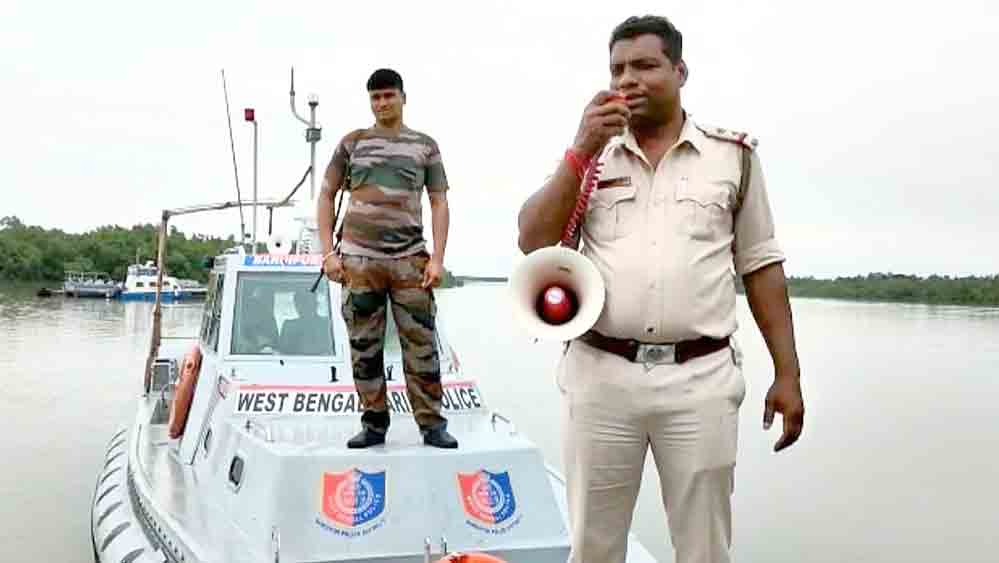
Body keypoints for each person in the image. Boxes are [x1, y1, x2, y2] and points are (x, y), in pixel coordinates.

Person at [516, 15, 805, 563]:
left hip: (701, 381)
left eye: (646, 66)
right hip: (600, 378)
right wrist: (580, 148)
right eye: (618, 68)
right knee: (593, 547)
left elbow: (762, 267)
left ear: (679, 71)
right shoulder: (590, 157)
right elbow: (534, 242)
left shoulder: (732, 157)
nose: (629, 79)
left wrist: (787, 374)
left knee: (704, 548)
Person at [316, 68, 458, 449]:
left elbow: (439, 201)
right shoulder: (353, 143)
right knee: (365, 346)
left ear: (402, 97)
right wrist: (328, 252)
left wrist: (438, 259)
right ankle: (374, 423)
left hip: (410, 260)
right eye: (375, 97)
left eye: (388, 96)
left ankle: (431, 424)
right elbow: (327, 195)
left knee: (422, 345)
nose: (382, 103)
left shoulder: (425, 146)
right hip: (359, 262)